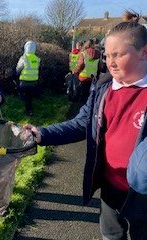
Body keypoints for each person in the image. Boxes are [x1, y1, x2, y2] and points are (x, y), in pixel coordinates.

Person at [24, 12, 147, 240]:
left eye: (118, 55)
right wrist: (42, 134)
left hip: (143, 194)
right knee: (111, 236)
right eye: (107, 55)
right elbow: (82, 123)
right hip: (110, 186)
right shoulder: (103, 88)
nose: (109, 62)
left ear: (144, 52)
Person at [72, 39, 101, 104]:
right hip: (93, 77)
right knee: (90, 94)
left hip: (83, 77)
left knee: (82, 94)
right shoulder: (98, 53)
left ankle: (81, 107)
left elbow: (80, 65)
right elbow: (99, 66)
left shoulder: (83, 53)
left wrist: (75, 72)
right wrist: (97, 75)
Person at [16, 40, 40, 116]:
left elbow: (18, 69)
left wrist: (17, 74)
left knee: (26, 96)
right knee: (30, 96)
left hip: (24, 81)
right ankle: (30, 108)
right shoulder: (36, 58)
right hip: (34, 82)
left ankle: (28, 111)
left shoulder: (24, 58)